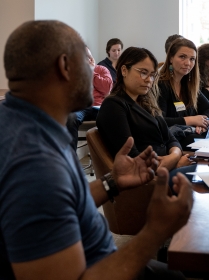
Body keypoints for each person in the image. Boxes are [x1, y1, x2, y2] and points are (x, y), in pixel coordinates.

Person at [0, 20, 193, 280]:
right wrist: (155, 232)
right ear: (65, 66)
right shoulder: (35, 162)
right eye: (89, 61)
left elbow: (64, 201)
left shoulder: (26, 121)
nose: (98, 70)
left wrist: (112, 183)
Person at [96, 46, 194, 172]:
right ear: (124, 70)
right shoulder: (113, 105)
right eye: (143, 73)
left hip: (164, 167)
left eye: (152, 75)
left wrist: (174, 156)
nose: (149, 80)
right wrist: (174, 164)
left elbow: (170, 138)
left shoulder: (147, 102)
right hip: (148, 180)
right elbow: (131, 160)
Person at [157, 37, 209, 149]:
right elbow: (159, 121)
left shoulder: (188, 85)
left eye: (192, 59)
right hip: (168, 144)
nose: (188, 63)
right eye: (182, 57)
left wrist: (204, 123)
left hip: (188, 138)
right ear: (170, 58)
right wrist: (191, 120)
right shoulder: (161, 85)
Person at [66, 46, 113, 151]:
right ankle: (71, 161)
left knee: (112, 117)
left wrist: (91, 72)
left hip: (99, 107)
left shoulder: (101, 69)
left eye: (87, 56)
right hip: (81, 107)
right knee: (70, 118)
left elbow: (106, 89)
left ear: (91, 58)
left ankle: (108, 158)